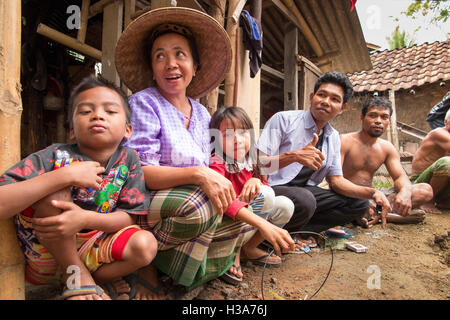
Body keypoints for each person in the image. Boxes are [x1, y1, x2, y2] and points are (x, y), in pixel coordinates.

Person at [115, 7, 255, 295]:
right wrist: (199, 174)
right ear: (152, 68)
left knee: (259, 201)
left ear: (195, 64)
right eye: (160, 56)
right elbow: (138, 172)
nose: (170, 64)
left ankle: (184, 269)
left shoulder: (203, 113)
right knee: (201, 204)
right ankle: (148, 261)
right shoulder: (145, 102)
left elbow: (220, 161)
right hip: (151, 200)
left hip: (192, 198)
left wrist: (250, 179)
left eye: (180, 54)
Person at [0, 76, 157, 300]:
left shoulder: (128, 159)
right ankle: (75, 273)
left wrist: (83, 219)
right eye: (85, 111)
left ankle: (90, 280)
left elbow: (128, 217)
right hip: (44, 252)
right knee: (55, 192)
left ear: (128, 130)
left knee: (145, 245)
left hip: (92, 248)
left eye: (110, 111)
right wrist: (64, 176)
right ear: (72, 130)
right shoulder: (56, 155)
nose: (98, 115)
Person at [256, 71, 392, 233]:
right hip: (271, 187)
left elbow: (336, 181)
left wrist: (373, 192)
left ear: (342, 108)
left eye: (335, 99)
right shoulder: (283, 120)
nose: (326, 102)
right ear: (311, 97)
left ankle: (300, 232)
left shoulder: (333, 136)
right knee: (305, 200)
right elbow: (258, 165)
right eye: (322, 95)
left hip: (305, 193)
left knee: (358, 204)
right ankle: (271, 236)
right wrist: (293, 156)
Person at [209, 106, 296, 284]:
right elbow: (225, 202)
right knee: (265, 195)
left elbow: (264, 185)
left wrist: (255, 181)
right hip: (228, 220)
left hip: (246, 220)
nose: (237, 140)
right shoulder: (217, 162)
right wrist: (263, 222)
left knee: (285, 205)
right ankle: (234, 251)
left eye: (242, 132)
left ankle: (249, 248)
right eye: (227, 135)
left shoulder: (252, 160)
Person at [340, 96, 433, 226]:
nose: (378, 121)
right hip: (347, 196)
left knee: (425, 190)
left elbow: (400, 176)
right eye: (373, 115)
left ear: (389, 121)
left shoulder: (386, 147)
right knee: (358, 205)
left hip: (374, 197)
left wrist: (405, 192)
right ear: (362, 118)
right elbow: (335, 180)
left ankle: (379, 213)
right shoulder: (344, 141)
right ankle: (385, 216)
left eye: (384, 117)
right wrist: (365, 198)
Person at [410, 108, 450, 214]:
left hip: (440, 183)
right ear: (446, 122)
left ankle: (443, 200)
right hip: (420, 183)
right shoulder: (439, 133)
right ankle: (428, 200)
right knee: (447, 163)